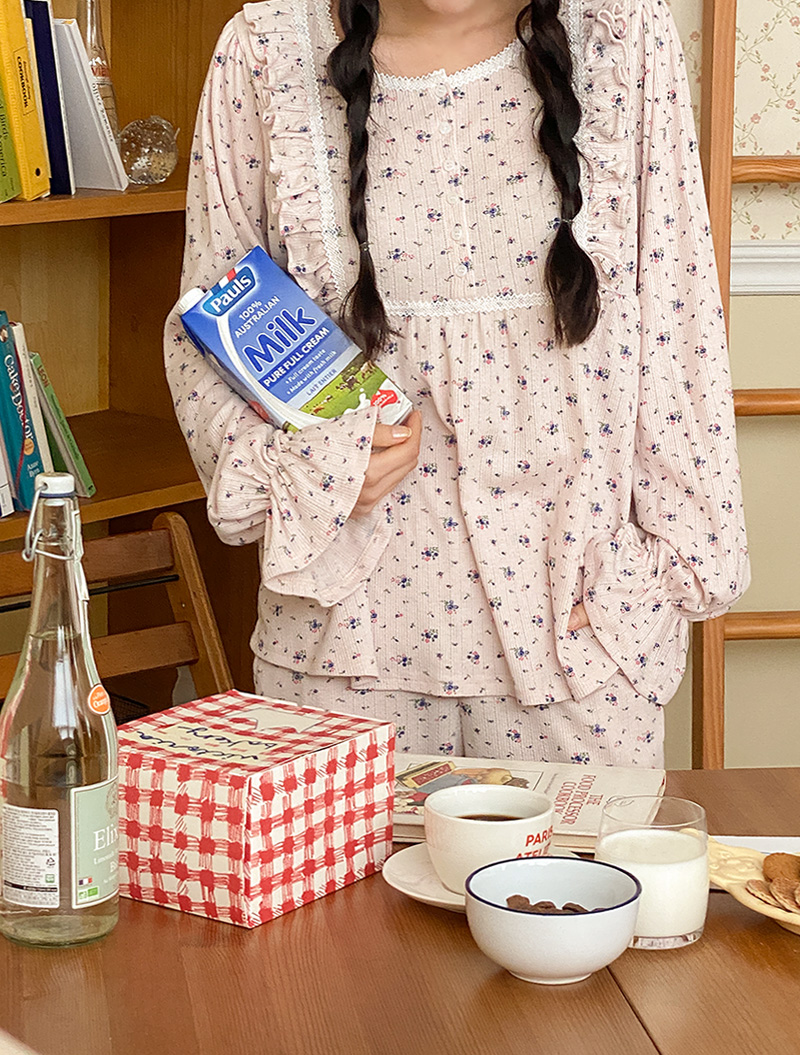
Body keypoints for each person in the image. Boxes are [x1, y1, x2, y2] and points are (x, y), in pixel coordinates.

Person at [164, 0, 750, 767]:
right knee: (343, 857)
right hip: (341, 647)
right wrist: (317, 473)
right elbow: (205, 329)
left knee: (584, 854)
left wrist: (656, 575)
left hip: (577, 639)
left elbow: (679, 321)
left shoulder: (621, 36)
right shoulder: (264, 53)